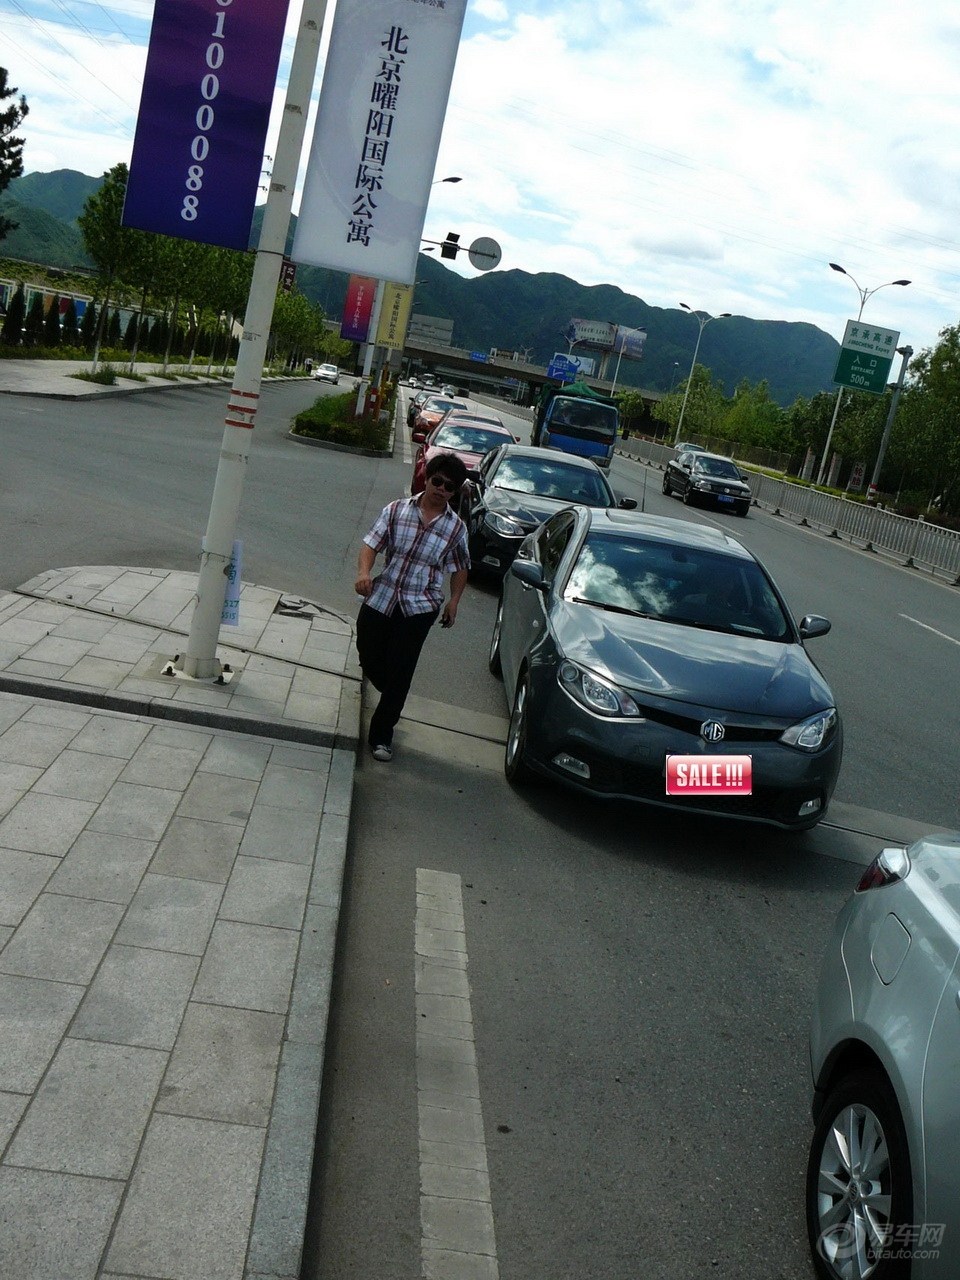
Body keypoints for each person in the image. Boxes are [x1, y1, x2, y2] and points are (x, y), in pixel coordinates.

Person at [354, 451, 470, 762]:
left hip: (420, 606)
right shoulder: (395, 510)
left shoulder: (455, 529)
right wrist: (364, 573)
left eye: (449, 487)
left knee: (402, 669)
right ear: (427, 478)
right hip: (383, 595)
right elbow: (371, 543)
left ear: (454, 492)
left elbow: (460, 567)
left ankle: (381, 735)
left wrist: (454, 601)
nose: (441, 489)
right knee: (367, 650)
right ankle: (391, 691)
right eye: (437, 481)